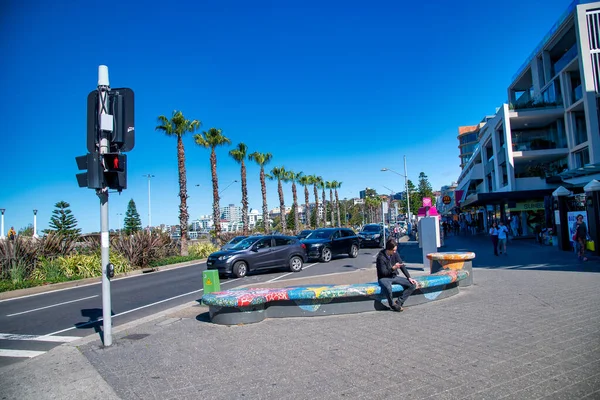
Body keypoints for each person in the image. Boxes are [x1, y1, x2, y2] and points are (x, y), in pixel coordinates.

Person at [376, 238, 417, 312]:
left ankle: (398, 302)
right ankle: (392, 305)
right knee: (388, 288)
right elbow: (383, 273)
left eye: (395, 250)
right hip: (383, 278)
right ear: (389, 249)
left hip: (393, 276)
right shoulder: (380, 258)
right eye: (393, 250)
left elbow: (402, 265)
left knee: (412, 285)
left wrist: (409, 277)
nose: (395, 252)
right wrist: (393, 268)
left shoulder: (395, 254)